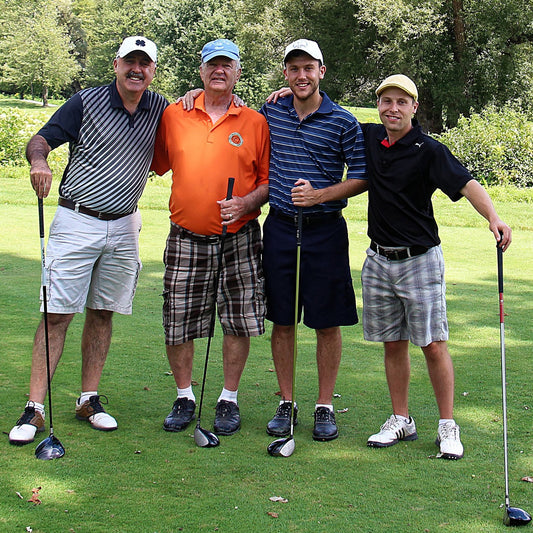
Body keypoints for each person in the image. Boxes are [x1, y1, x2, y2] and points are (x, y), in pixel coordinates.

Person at [9, 36, 168, 445]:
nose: (137, 69)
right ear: (116, 64)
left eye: (144, 63)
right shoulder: (86, 101)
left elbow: (205, 107)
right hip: (77, 219)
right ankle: (35, 408)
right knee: (57, 313)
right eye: (129, 62)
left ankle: (88, 399)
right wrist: (40, 161)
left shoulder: (160, 107)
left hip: (125, 225)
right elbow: (41, 139)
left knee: (102, 313)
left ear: (152, 70)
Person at [361, 74, 512, 459]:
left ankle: (447, 425)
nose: (392, 108)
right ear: (379, 106)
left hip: (420, 261)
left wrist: (493, 218)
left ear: (414, 107)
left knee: (432, 344)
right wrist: (283, 93)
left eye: (401, 102)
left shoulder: (428, 150)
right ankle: (401, 419)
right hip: (378, 258)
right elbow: (321, 111)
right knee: (392, 344)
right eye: (386, 101)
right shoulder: (370, 139)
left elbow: (466, 184)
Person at [151, 39, 270, 437]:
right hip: (186, 236)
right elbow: (157, 164)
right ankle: (184, 396)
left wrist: (246, 202)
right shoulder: (174, 114)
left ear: (238, 72)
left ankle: (228, 399)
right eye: (212, 65)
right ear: (201, 72)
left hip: (239, 236)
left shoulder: (255, 121)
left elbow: (270, 182)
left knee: (237, 320)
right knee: (179, 318)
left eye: (227, 65)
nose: (219, 71)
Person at [260, 39, 367, 442]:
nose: (302, 75)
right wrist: (194, 94)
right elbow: (231, 115)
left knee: (326, 323)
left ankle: (324, 405)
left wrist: (320, 195)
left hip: (324, 231)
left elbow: (360, 177)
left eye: (309, 68)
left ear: (322, 71)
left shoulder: (343, 121)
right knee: (283, 320)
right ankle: (286, 402)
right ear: (285, 74)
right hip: (282, 227)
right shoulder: (271, 110)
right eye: (294, 69)